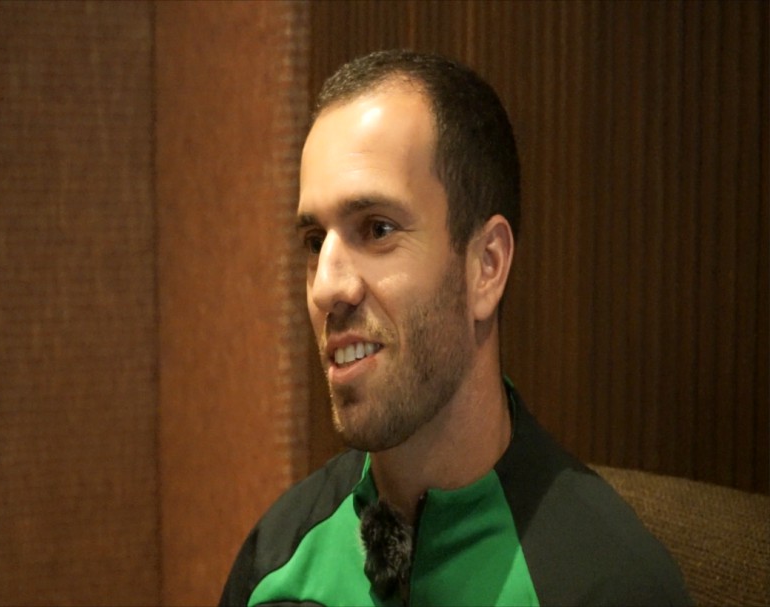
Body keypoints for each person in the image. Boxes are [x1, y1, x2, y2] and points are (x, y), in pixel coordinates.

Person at [219, 49, 691, 606]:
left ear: (486, 267)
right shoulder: (277, 562)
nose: (326, 287)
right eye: (314, 241)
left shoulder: (609, 585)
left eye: (377, 229)